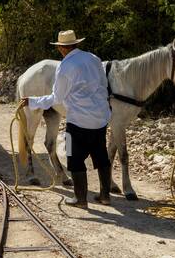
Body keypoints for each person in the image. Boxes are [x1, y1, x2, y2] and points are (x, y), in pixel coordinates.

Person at [26, 30, 112, 208]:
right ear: (76, 44)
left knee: (73, 157)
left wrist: (32, 101)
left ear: (61, 49)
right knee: (101, 156)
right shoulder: (94, 58)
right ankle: (105, 196)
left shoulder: (65, 66)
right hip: (100, 118)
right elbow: (104, 85)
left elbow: (56, 98)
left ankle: (80, 199)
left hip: (77, 120)